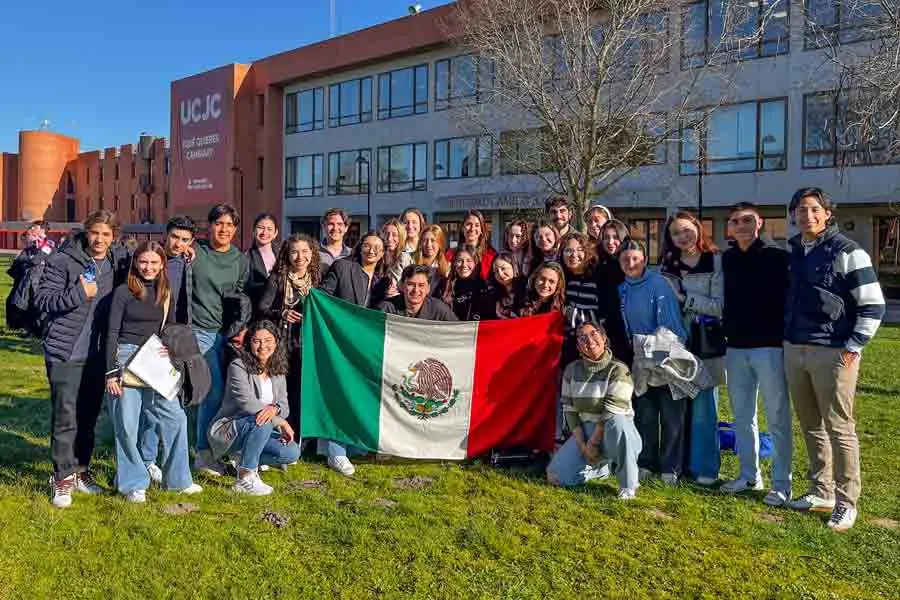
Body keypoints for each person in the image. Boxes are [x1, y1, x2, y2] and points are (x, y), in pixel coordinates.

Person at [783, 188, 885, 531]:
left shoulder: (848, 251)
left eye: (814, 209)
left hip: (833, 351)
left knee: (839, 427)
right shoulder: (795, 250)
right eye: (801, 209)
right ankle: (821, 491)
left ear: (827, 213)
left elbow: (873, 305)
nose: (807, 215)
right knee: (810, 424)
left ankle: (846, 502)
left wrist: (854, 346)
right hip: (796, 347)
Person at [35, 209, 131, 508]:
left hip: (97, 354)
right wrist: (79, 293)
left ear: (114, 237)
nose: (99, 239)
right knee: (66, 416)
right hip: (66, 351)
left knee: (88, 416)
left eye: (106, 234)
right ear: (86, 232)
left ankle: (80, 470)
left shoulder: (117, 262)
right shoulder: (63, 260)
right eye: (95, 232)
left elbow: (150, 262)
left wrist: (186, 256)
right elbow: (44, 300)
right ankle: (62, 477)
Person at [104, 241, 201, 502]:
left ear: (162, 264)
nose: (148, 267)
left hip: (155, 359)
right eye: (143, 262)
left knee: (175, 418)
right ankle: (133, 483)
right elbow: (112, 332)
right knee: (127, 425)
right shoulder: (123, 292)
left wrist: (170, 349)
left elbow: (170, 327)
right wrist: (111, 372)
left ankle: (178, 480)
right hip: (125, 358)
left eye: (154, 262)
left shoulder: (165, 291)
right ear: (136, 263)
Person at [720, 202, 793, 506]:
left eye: (747, 220)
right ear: (730, 226)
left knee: (777, 416)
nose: (741, 225)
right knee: (742, 416)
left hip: (770, 347)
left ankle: (782, 484)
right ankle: (749, 475)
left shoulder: (777, 257)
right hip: (736, 348)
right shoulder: (728, 259)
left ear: (759, 223)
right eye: (735, 221)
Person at [618, 238, 688, 486]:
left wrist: (655, 351)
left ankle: (671, 467)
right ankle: (647, 461)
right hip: (639, 359)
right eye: (625, 259)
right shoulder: (621, 289)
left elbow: (669, 324)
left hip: (666, 354)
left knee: (671, 415)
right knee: (645, 414)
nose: (631, 263)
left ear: (645, 260)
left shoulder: (659, 284)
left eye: (635, 258)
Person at [660, 210, 723, 487]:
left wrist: (684, 297)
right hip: (677, 342)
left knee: (704, 406)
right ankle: (680, 464)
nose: (683, 236)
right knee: (679, 405)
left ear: (698, 228)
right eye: (676, 233)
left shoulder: (715, 260)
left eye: (687, 229)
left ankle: (705, 468)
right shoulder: (668, 264)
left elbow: (720, 306)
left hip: (705, 341)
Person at [320, 231, 390, 475]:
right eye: (367, 245)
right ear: (359, 247)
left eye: (377, 247)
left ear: (383, 253)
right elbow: (323, 296)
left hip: (366, 346)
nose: (372, 250)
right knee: (340, 394)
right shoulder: (342, 267)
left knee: (360, 395)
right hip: (339, 341)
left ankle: (352, 443)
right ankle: (335, 452)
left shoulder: (383, 280)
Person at [547, 323, 641, 500]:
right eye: (582, 338)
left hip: (615, 432)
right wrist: (583, 446)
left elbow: (612, 409)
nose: (589, 340)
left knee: (618, 421)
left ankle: (628, 485)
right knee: (556, 476)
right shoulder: (571, 371)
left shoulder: (619, 369)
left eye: (594, 334)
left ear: (604, 338)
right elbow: (570, 411)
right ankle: (599, 470)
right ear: (578, 347)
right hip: (586, 431)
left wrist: (593, 443)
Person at [209, 320, 301, 496]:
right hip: (231, 429)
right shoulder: (238, 366)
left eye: (268, 340)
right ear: (249, 343)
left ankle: (243, 458)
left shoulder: (278, 369)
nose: (262, 346)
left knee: (291, 452)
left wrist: (275, 409)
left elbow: (284, 405)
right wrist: (280, 421)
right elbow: (247, 403)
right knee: (262, 420)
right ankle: (245, 477)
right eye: (256, 341)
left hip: (259, 430)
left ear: (276, 342)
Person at [191, 204, 250, 477]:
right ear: (210, 226)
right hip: (200, 330)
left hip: (226, 334)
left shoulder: (240, 259)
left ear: (235, 229)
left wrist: (241, 328)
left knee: (226, 393)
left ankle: (219, 448)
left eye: (229, 224)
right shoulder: (197, 252)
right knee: (212, 391)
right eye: (218, 223)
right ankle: (203, 455)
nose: (223, 229)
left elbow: (241, 295)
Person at [258, 233, 322, 440]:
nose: (300, 257)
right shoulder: (277, 278)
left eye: (305, 251)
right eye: (294, 252)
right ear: (287, 254)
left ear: (312, 254)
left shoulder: (319, 279)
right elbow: (262, 307)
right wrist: (282, 312)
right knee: (282, 390)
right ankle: (279, 434)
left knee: (303, 389)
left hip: (308, 343)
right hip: (283, 343)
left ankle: (303, 436)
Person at [6, 220, 55, 334]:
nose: (32, 230)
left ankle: (37, 330)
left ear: (42, 230)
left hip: (41, 280)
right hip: (27, 279)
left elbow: (36, 260)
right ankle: (22, 328)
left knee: (37, 306)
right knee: (20, 302)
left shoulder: (48, 245)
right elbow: (20, 260)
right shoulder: (33, 245)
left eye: (35, 228)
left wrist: (28, 259)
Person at [560, 232, 600, 366]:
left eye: (580, 250)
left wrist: (568, 313)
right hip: (567, 346)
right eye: (568, 250)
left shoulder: (597, 278)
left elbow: (603, 315)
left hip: (593, 345)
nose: (574, 255)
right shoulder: (563, 279)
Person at [596, 219, 632, 365]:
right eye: (606, 237)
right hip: (606, 328)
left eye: (615, 237)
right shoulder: (599, 266)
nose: (610, 242)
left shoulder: (632, 266)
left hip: (629, 328)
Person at [380, 265, 458, 320]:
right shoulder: (386, 308)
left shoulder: (439, 309)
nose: (416, 290)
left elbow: (458, 330)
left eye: (421, 285)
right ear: (402, 286)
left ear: (428, 288)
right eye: (410, 284)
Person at [437, 245, 489, 321]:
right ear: (454, 263)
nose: (464, 265)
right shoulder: (445, 287)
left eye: (469, 261)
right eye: (459, 261)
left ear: (476, 263)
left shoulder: (484, 289)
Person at [446, 209, 496, 281]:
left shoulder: (491, 255)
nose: (472, 229)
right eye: (469, 224)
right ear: (463, 228)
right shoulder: (451, 255)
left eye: (477, 225)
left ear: (481, 230)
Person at [245, 213, 281, 311]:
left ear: (275, 233)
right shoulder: (246, 258)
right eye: (260, 228)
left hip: (283, 313)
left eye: (269, 229)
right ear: (253, 231)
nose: (264, 232)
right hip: (258, 313)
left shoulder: (283, 254)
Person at [486, 252, 525, 320]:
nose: (500, 274)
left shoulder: (526, 289)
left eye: (503, 268)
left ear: (514, 266)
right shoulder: (493, 295)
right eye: (496, 271)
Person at [415, 224, 450, 293]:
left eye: (433, 240)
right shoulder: (412, 261)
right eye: (425, 240)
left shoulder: (447, 267)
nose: (428, 244)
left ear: (440, 243)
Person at [381, 218, 413, 294]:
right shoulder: (380, 255)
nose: (389, 238)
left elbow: (402, 285)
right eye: (387, 234)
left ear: (401, 237)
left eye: (394, 235)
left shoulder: (404, 257)